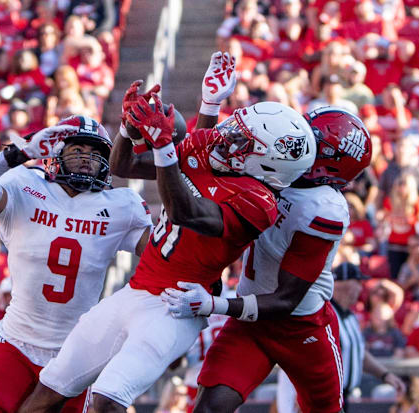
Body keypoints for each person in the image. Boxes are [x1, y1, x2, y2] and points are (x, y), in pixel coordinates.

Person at [19, 51, 315, 413]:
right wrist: (129, 128)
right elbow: (123, 165)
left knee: (107, 402)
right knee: (47, 392)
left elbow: (184, 210)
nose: (229, 138)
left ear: (266, 163)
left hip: (174, 309)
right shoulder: (212, 152)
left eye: (243, 141)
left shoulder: (259, 202)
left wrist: (164, 149)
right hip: (135, 291)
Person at [162, 106, 374, 413]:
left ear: (328, 160)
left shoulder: (323, 208)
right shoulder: (270, 168)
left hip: (301, 326)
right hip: (252, 323)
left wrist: (213, 305)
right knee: (208, 408)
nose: (295, 139)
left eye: (308, 138)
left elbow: (285, 300)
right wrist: (210, 106)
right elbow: (196, 167)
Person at [0, 115, 153, 413]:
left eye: (96, 152)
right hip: (16, 343)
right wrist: (16, 155)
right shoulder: (26, 184)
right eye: (77, 150)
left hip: (74, 355)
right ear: (55, 152)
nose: (87, 159)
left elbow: (164, 251)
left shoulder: (120, 206)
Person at [331, 262, 406, 411]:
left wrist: (385, 375)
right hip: (327, 397)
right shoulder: (327, 315)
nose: (361, 288)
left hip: (345, 396)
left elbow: (358, 353)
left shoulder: (350, 317)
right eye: (358, 282)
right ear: (348, 285)